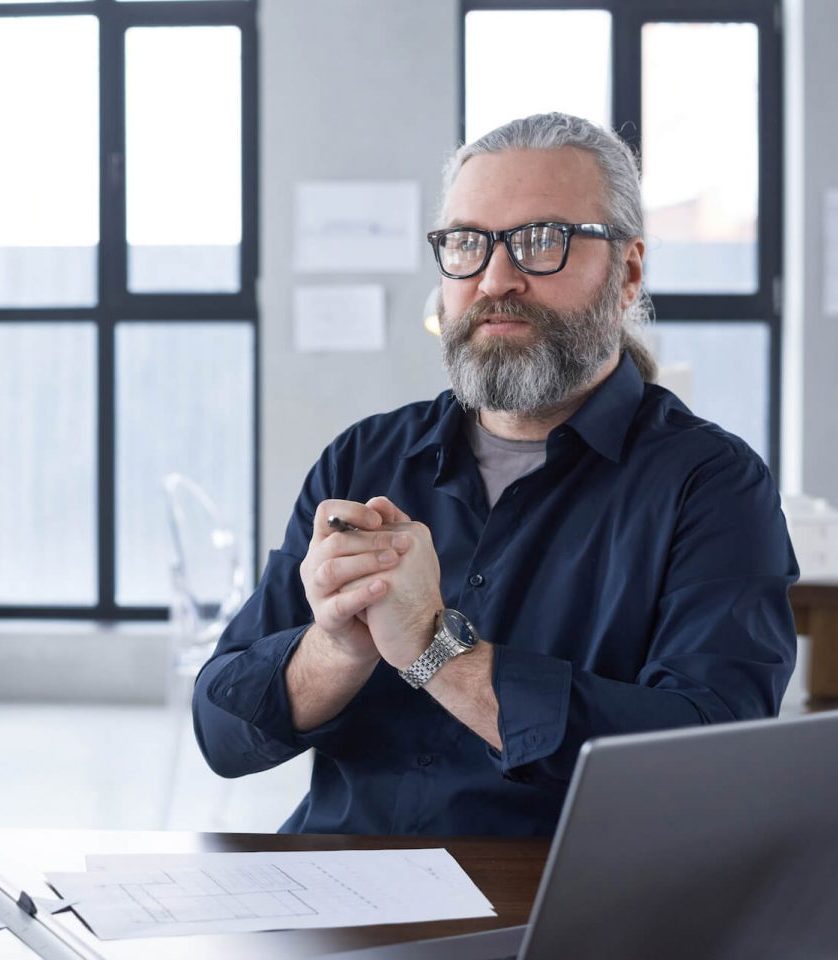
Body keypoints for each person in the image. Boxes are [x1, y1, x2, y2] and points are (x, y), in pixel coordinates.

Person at [193, 112, 798, 837]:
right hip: (340, 901)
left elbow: (706, 770)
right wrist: (336, 647)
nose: (495, 279)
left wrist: (431, 648)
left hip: (554, 913)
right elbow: (222, 731)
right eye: (467, 243)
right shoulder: (365, 459)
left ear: (628, 271)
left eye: (543, 241)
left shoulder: (714, 487)